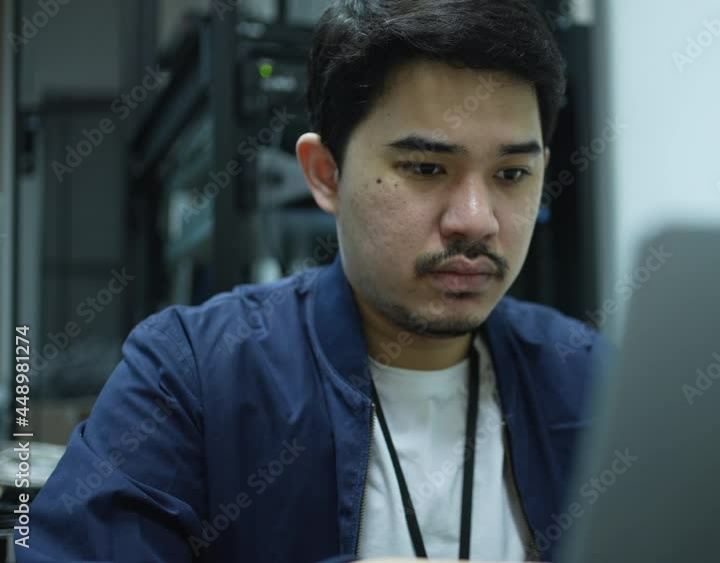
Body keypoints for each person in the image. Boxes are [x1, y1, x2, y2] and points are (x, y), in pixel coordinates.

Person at [17, 0, 608, 561]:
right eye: (427, 168)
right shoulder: (193, 374)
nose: (476, 219)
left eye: (512, 174)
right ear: (325, 175)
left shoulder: (592, 382)